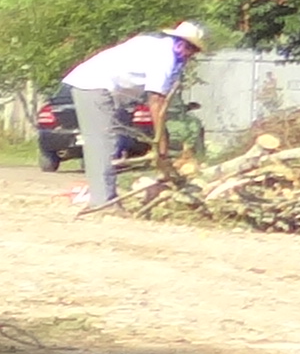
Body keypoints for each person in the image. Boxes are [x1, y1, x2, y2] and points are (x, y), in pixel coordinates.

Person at [60, 16, 204, 214]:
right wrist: (162, 143)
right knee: (102, 144)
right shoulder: (165, 56)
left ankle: (103, 197)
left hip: (105, 89)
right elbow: (156, 102)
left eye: (194, 51)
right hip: (94, 86)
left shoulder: (158, 46)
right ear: (181, 44)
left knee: (109, 143)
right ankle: (103, 203)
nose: (191, 55)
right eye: (190, 49)